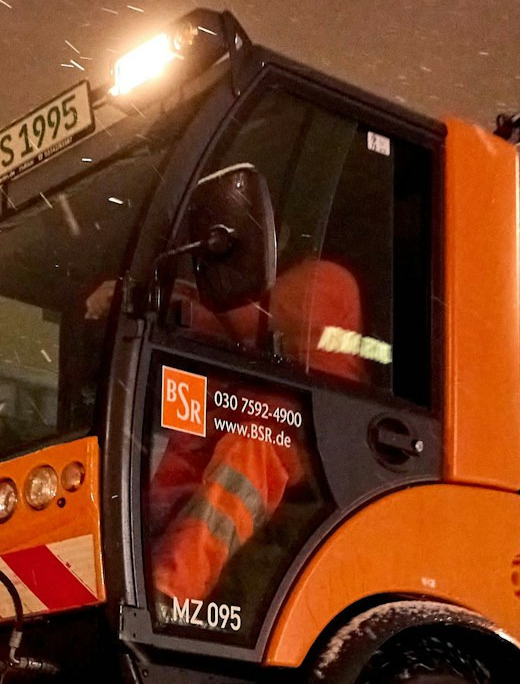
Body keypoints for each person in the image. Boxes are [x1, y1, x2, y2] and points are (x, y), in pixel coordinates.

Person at [147, 256, 367, 606]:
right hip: (270, 407)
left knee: (250, 450)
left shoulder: (323, 278)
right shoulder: (280, 289)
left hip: (312, 425)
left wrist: (158, 302)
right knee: (194, 436)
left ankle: (173, 584)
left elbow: (249, 325)